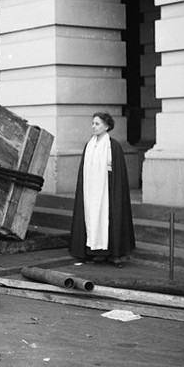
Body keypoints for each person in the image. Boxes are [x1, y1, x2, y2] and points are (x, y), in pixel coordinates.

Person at [68, 112, 135, 268]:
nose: (94, 126)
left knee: (108, 218)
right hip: (91, 189)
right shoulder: (89, 145)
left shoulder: (114, 146)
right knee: (91, 217)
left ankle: (114, 253)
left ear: (106, 126)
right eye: (93, 123)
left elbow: (117, 172)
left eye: (97, 124)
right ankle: (94, 252)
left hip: (107, 189)